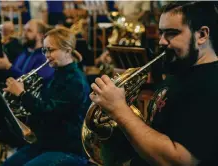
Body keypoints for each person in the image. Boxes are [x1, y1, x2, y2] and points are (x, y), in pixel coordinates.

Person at [89, 1, 218, 166]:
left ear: (202, 35)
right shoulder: (181, 70)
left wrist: (119, 109)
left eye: (171, 33)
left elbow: (179, 160)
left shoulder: (210, 84)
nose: (162, 41)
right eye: (161, 33)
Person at [2, 27, 91, 166]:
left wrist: (22, 94)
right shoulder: (57, 73)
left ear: (68, 50)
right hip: (46, 144)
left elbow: (50, 111)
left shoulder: (76, 81)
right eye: (45, 50)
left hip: (67, 149)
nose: (47, 55)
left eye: (51, 50)